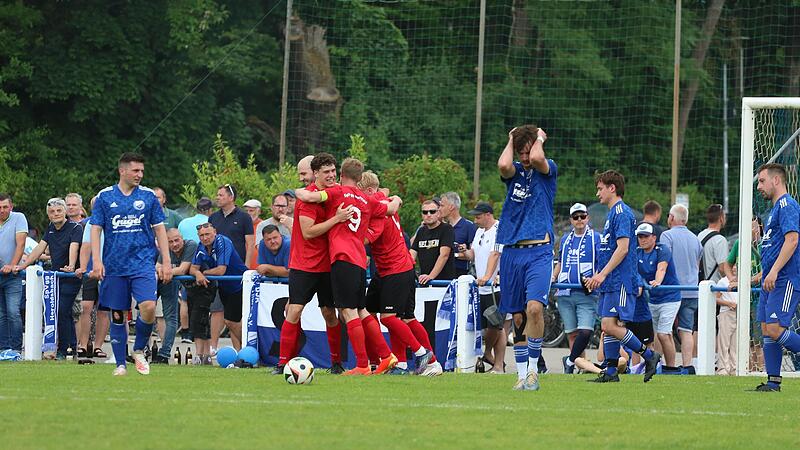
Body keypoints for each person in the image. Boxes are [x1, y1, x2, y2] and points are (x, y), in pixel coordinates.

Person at [296, 156, 403, 375]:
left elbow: (307, 195)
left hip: (342, 258)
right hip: (359, 260)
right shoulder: (367, 199)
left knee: (348, 311)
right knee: (362, 310)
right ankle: (386, 355)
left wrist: (297, 191)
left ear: (342, 175)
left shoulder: (336, 192)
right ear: (360, 177)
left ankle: (362, 365)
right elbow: (391, 209)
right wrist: (393, 197)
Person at [89, 153, 172, 376]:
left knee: (149, 306)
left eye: (142, 171)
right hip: (114, 266)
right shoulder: (105, 197)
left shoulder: (148, 197)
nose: (140, 175)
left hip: (143, 263)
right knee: (118, 314)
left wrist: (165, 260)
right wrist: (96, 261)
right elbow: (95, 229)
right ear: (122, 171)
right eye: (135, 171)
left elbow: (160, 229)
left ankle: (138, 349)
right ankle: (120, 364)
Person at [273, 155, 349, 374]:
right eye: (326, 172)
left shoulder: (334, 193)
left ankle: (336, 363)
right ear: (316, 174)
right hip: (304, 264)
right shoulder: (309, 199)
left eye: (333, 171)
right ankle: (282, 363)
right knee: (295, 310)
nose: (332, 175)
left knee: (329, 313)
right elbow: (307, 232)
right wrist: (336, 219)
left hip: (329, 264)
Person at [358, 171, 437, 376]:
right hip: (389, 269)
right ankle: (401, 364)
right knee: (395, 316)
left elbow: (364, 240)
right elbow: (386, 194)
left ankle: (423, 354)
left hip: (395, 269)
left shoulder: (379, 211)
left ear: (367, 191)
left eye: (359, 193)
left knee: (389, 317)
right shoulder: (384, 201)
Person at [585, 170, 661, 383]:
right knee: (606, 326)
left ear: (612, 188)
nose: (597, 193)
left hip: (620, 281)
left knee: (611, 325)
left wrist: (602, 274)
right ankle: (610, 371)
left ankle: (649, 355)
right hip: (610, 281)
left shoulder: (622, 213)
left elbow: (623, 248)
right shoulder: (611, 214)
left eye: (600, 188)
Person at [496, 124, 555, 391]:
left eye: (526, 150)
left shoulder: (546, 169)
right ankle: (521, 376)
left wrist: (539, 138)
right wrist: (511, 139)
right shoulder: (515, 172)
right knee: (518, 317)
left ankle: (533, 370)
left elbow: (539, 158)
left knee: (534, 309)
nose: (524, 156)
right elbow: (503, 165)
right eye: (520, 151)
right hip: (511, 251)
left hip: (539, 250)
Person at [752, 163, 800, 391]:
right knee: (765, 328)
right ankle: (773, 382)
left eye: (762, 181)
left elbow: (792, 241)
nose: (759, 186)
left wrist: (774, 271)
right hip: (770, 280)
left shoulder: (787, 205)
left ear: (776, 180)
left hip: (784, 279)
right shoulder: (773, 211)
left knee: (774, 329)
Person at [19, 198, 82, 359]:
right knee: (61, 312)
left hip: (70, 276)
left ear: (65, 212)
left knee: (61, 310)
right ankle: (70, 347)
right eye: (52, 212)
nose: (56, 214)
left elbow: (74, 247)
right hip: (55, 277)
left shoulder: (75, 228)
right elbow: (39, 248)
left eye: (59, 211)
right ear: (48, 215)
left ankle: (63, 349)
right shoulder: (51, 229)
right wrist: (23, 265)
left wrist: (72, 265)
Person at [553, 202, 600, 374]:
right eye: (575, 217)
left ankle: (570, 361)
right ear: (571, 220)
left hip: (586, 293)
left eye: (582, 216)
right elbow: (560, 262)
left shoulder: (597, 237)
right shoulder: (565, 239)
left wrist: (596, 278)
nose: (579, 220)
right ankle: (581, 366)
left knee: (586, 331)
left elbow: (601, 264)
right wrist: (553, 277)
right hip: (565, 292)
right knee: (572, 333)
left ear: (588, 217)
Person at [190, 222, 248, 353]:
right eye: (201, 236)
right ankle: (240, 355)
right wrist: (197, 273)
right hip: (224, 286)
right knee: (234, 321)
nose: (205, 238)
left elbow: (221, 270)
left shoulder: (222, 241)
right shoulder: (201, 247)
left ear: (215, 233)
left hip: (239, 284)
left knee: (231, 321)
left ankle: (249, 347)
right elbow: (193, 268)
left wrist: (204, 273)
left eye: (208, 234)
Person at [659, 203, 702, 373]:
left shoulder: (666, 236)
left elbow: (664, 261)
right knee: (686, 330)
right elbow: (697, 265)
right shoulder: (696, 239)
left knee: (663, 329)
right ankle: (687, 365)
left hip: (671, 290)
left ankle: (660, 363)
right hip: (691, 290)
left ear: (672, 217)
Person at [464, 201, 506, 374]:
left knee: (497, 325)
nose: (475, 220)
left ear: (488, 215)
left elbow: (495, 255)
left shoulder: (499, 230)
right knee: (491, 326)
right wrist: (461, 252)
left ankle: (495, 361)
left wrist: (488, 276)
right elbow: (472, 254)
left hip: (495, 285)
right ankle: (493, 359)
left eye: (478, 216)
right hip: (481, 286)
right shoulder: (479, 231)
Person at [634, 222, 681, 373]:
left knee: (663, 333)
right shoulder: (637, 252)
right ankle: (656, 367)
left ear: (654, 237)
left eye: (646, 236)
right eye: (640, 236)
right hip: (652, 299)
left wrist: (657, 281)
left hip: (670, 297)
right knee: (655, 335)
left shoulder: (662, 249)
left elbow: (662, 268)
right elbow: (634, 273)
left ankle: (671, 368)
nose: (642, 239)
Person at [152, 228, 197, 363]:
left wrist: (165, 271)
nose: (174, 244)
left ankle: (164, 354)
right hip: (168, 280)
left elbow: (183, 269)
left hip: (197, 284)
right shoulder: (166, 249)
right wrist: (162, 271)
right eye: (170, 241)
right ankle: (142, 350)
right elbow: (157, 265)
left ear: (182, 238)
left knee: (171, 317)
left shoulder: (191, 245)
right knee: (146, 313)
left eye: (177, 240)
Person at [76, 195, 109, 359]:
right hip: (91, 270)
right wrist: (83, 267)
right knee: (86, 307)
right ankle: (82, 345)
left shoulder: (113, 222)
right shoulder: (90, 223)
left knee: (104, 310)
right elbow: (85, 247)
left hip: (109, 271)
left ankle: (98, 346)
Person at [176, 196, 213, 342]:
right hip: (201, 266)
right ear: (210, 210)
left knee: (185, 300)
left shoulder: (184, 222)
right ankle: (197, 332)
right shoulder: (209, 223)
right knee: (202, 303)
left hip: (183, 264)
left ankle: (186, 332)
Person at [0, 193, 27, 352]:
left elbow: (21, 243)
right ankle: (3, 348)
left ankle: (16, 349)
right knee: (1, 315)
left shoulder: (19, 218)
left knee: (13, 312)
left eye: (5, 207)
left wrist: (12, 264)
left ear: (11, 206)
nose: (2, 210)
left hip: (12, 275)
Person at [410, 200, 455, 284]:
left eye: (432, 211)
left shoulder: (446, 229)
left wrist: (431, 276)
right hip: (424, 282)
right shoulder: (421, 231)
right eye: (425, 212)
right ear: (422, 215)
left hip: (443, 283)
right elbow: (411, 255)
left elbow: (444, 255)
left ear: (438, 213)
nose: (429, 215)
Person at [209, 184, 254, 267]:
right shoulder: (213, 217)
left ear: (231, 197)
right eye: (217, 195)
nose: (217, 198)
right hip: (217, 266)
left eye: (221, 195)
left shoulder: (244, 217)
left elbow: (250, 244)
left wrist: (246, 267)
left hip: (237, 266)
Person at [440, 192, 476, 277]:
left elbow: (474, 254)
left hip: (460, 273)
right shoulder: (442, 227)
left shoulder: (469, 226)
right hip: (441, 272)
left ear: (451, 207)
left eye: (442, 205)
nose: (439, 209)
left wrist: (455, 255)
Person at [698, 203, 731, 285]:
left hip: (701, 286)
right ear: (721, 218)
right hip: (715, 287)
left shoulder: (700, 235)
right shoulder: (720, 240)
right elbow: (722, 268)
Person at [715, 265, 738, 375]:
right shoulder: (722, 282)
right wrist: (728, 303)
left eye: (736, 266)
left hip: (738, 314)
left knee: (735, 343)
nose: (734, 268)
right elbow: (716, 298)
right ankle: (723, 368)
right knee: (724, 342)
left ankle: (734, 368)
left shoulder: (742, 281)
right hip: (726, 313)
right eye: (732, 266)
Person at [243, 199, 263, 269]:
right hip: (244, 268)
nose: (248, 213)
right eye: (246, 211)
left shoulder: (264, 225)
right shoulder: (241, 226)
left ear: (259, 211)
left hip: (261, 268)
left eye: (251, 211)